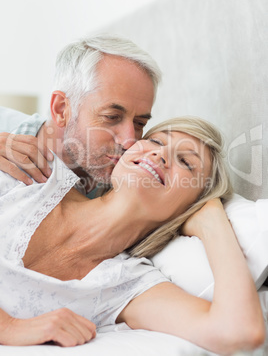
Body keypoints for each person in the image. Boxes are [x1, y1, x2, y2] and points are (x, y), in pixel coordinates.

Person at [0, 116, 265, 354]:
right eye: (155, 140)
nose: (161, 155)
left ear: (189, 207)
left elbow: (239, 334)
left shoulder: (126, 285)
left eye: (185, 162)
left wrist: (213, 222)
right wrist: (9, 327)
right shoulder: (34, 173)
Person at [0, 33, 161, 197]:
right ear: (62, 110)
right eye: (112, 117)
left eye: (139, 123)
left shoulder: (131, 190)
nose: (129, 142)